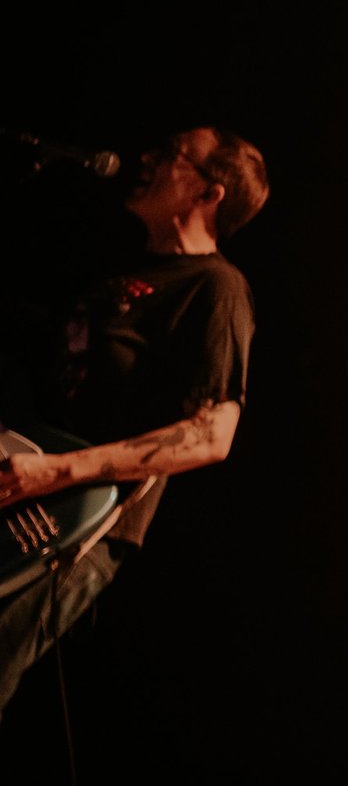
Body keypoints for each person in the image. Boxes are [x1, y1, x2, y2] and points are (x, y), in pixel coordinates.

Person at [0, 125, 269, 715]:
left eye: (172, 154)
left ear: (210, 193)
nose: (147, 157)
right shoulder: (120, 273)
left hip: (72, 520)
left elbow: (213, 434)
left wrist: (57, 471)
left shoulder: (216, 287)